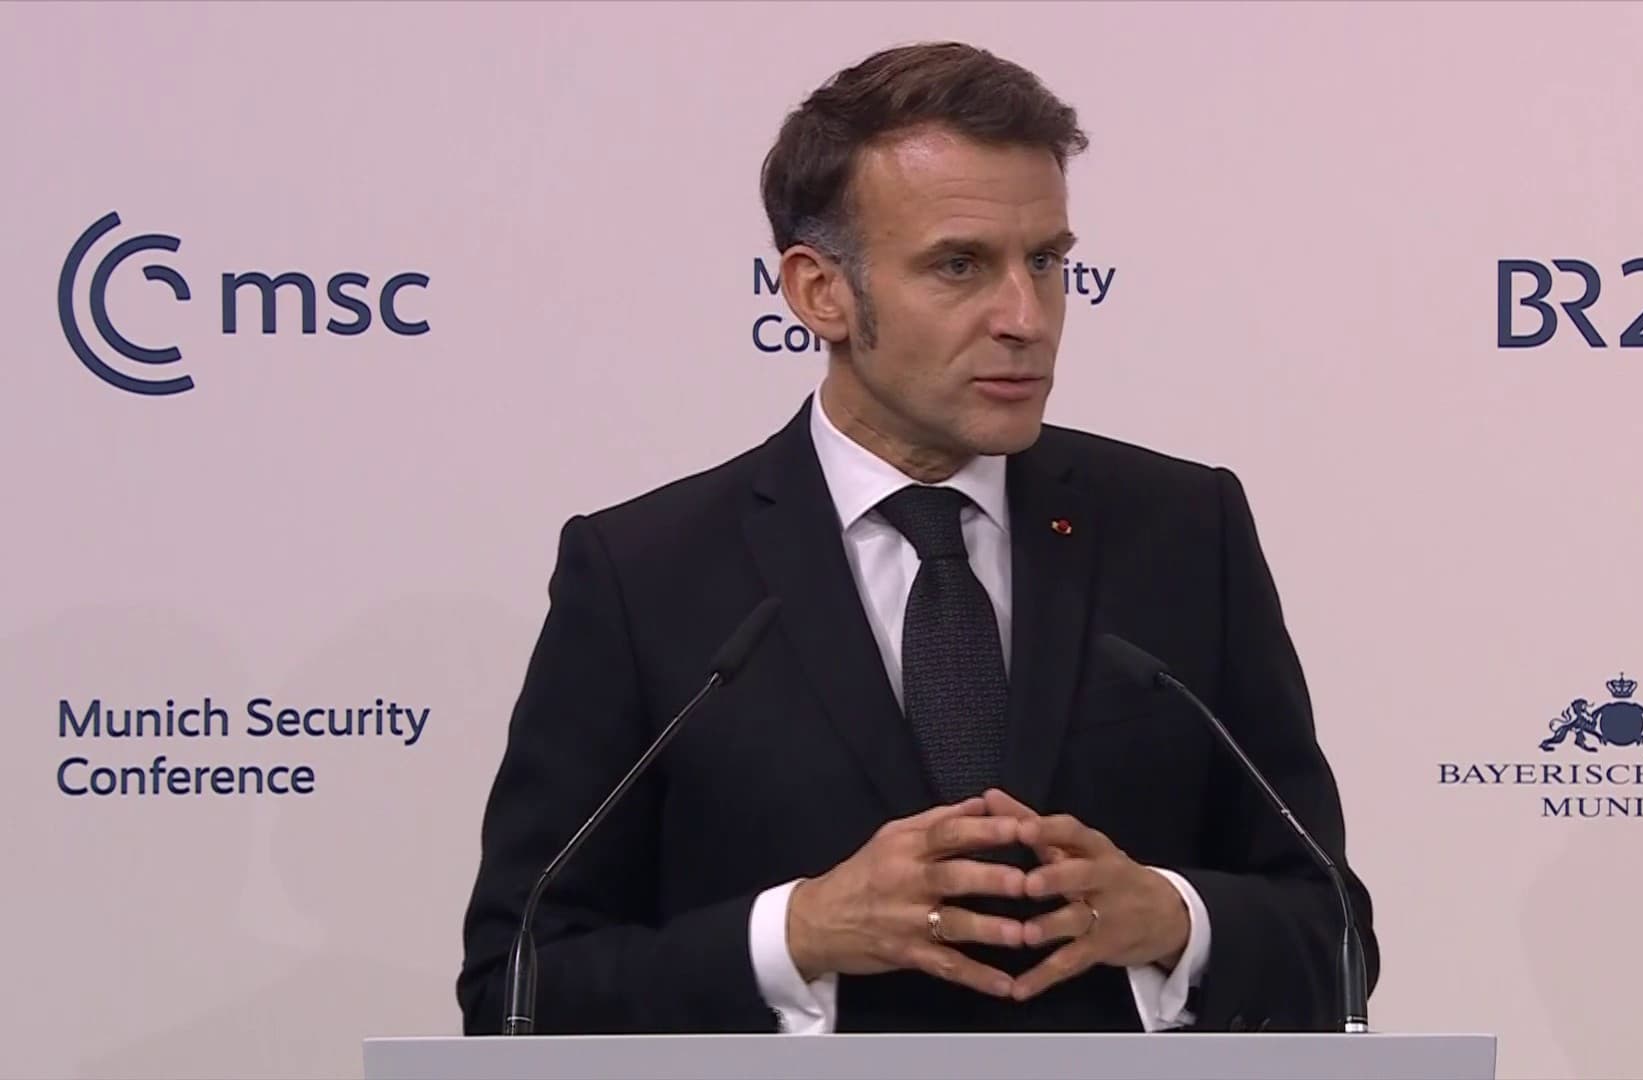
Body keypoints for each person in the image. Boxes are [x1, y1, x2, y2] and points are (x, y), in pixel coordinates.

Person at [458, 41, 1378, 1035]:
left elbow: (1333, 934)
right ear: (820, 292)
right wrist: (794, 935)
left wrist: (1174, 920)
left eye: (1046, 261)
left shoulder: (1186, 532)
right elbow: (517, 987)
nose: (1026, 317)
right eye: (959, 266)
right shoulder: (645, 575)